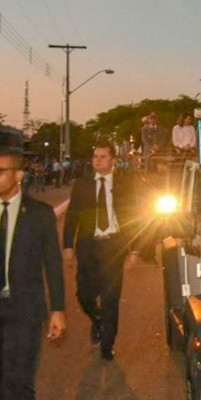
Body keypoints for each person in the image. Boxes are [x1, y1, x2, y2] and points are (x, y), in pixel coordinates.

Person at [0, 147, 65, 400]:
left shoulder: (39, 214)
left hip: (24, 312)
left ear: (19, 176)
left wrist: (58, 309)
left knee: (19, 384)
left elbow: (52, 263)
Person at [63, 141, 137, 360]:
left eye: (103, 156)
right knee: (84, 294)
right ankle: (98, 320)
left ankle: (107, 343)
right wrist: (67, 245)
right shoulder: (82, 184)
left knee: (111, 297)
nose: (98, 160)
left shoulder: (124, 184)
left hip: (114, 245)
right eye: (95, 156)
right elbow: (72, 216)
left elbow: (135, 217)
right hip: (88, 246)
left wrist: (136, 250)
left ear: (113, 160)